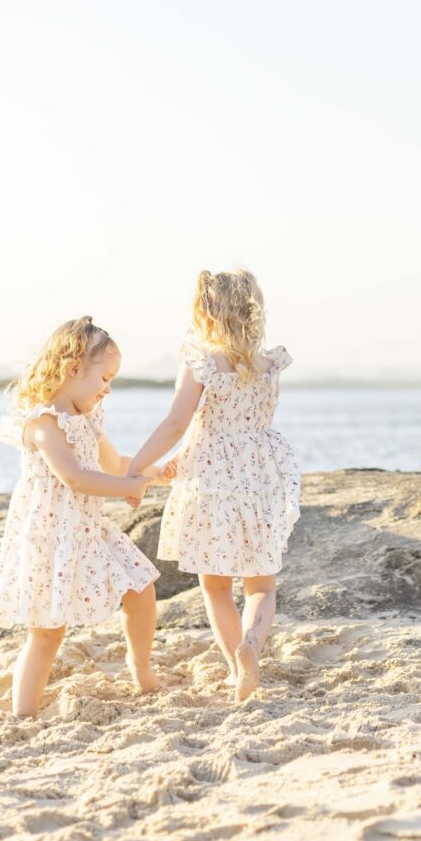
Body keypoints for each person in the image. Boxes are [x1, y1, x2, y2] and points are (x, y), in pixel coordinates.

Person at [0, 316, 166, 717]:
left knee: (141, 588)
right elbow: (75, 477)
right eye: (105, 378)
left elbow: (113, 465)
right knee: (46, 633)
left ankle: (141, 668)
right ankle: (23, 713)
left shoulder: (89, 420)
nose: (108, 389)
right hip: (51, 536)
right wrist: (127, 489)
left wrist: (151, 473)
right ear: (74, 369)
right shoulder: (43, 424)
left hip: (91, 530)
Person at [127, 269, 301, 700]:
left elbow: (175, 423)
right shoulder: (267, 364)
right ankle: (251, 647)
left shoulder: (203, 359)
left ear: (203, 312)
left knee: (216, 585)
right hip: (261, 477)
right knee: (261, 585)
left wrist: (136, 466)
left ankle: (233, 666)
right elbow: (254, 423)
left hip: (212, 479)